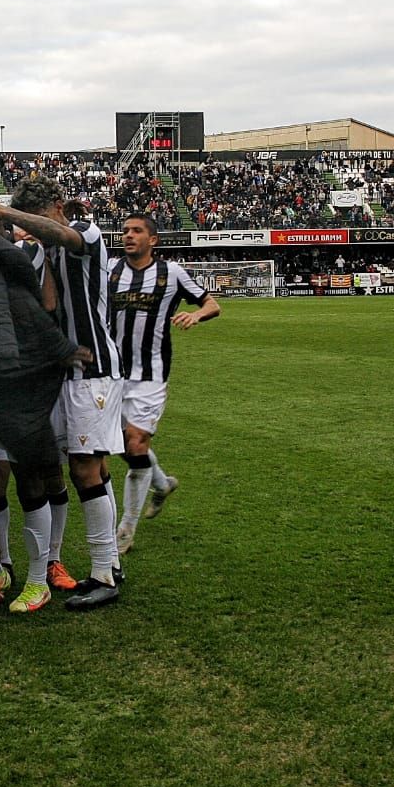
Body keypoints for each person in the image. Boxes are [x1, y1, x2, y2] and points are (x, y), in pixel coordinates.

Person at [0, 177, 124, 610]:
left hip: (93, 369)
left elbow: (66, 235)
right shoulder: (48, 248)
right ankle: (107, 561)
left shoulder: (86, 232)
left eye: (38, 219)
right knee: (84, 468)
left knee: (85, 470)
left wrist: (5, 214)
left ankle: (103, 573)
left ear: (56, 207)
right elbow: (51, 306)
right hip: (65, 372)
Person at [108, 213, 220, 552]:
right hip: (111, 374)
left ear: (152, 239)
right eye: (125, 230)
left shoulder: (171, 273)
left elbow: (212, 303)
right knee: (124, 448)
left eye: (137, 231)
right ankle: (162, 483)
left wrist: (196, 315)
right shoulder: (109, 270)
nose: (129, 235)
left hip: (151, 376)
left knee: (136, 443)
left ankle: (126, 529)